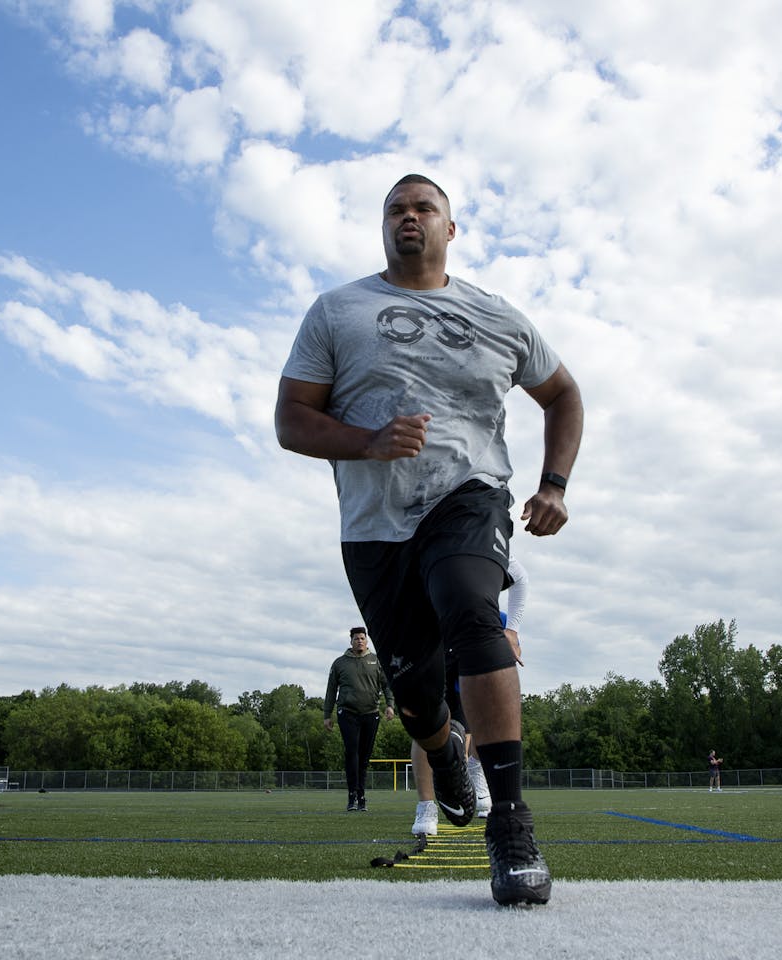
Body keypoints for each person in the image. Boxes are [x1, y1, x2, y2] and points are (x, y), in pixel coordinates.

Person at [276, 174, 582, 906]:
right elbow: (291, 420)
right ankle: (444, 756)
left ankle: (509, 823)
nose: (408, 218)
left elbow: (564, 393)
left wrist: (554, 484)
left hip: (469, 495)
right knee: (414, 694)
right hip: (375, 526)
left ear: (450, 228)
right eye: (395, 210)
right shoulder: (338, 311)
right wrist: (368, 440)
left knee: (475, 616)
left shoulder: (496, 316)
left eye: (423, 208)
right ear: (384, 227)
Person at [411, 556, 529, 836]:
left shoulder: (477, 540)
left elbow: (519, 576)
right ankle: (426, 805)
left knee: (479, 719)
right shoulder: (416, 543)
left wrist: (512, 630)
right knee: (424, 721)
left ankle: (478, 776)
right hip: (431, 635)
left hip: (474, 631)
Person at [323, 626, 395, 812]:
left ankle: (362, 796)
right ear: (351, 641)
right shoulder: (340, 663)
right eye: (356, 638)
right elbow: (331, 690)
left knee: (364, 757)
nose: (359, 641)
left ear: (367, 640)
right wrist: (327, 715)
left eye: (362, 638)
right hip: (347, 713)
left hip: (371, 713)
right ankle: (351, 796)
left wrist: (389, 705)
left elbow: (387, 685)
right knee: (351, 753)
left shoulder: (376, 661)